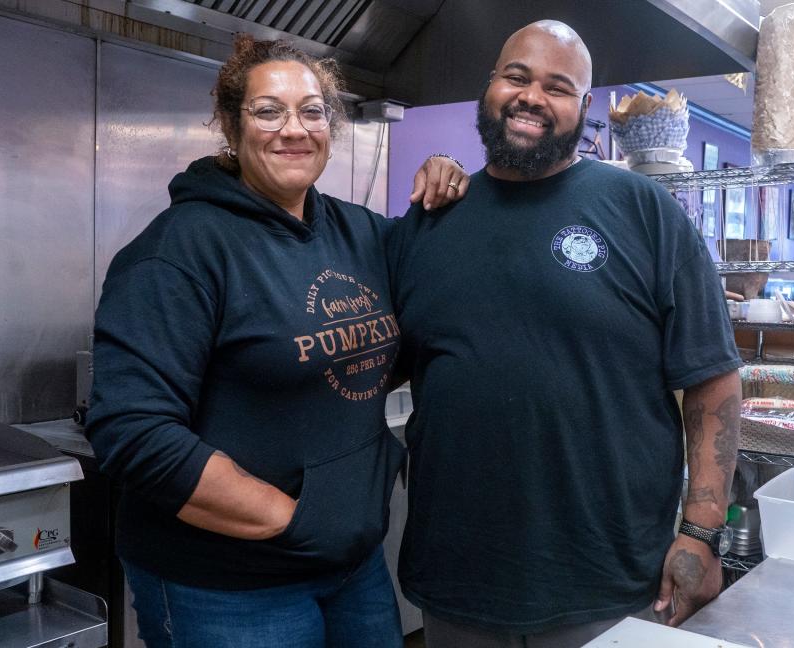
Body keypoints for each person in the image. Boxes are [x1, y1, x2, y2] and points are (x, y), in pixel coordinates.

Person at [86, 35, 467, 648]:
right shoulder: (178, 252)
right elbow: (132, 433)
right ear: (232, 128)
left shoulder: (362, 232)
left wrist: (449, 181)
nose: (294, 129)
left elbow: (406, 332)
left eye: (312, 111)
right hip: (228, 588)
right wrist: (297, 521)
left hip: (354, 569)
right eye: (269, 111)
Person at [387, 20, 743, 647]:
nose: (530, 97)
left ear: (584, 109)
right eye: (516, 77)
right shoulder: (427, 224)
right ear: (491, 86)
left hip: (611, 580)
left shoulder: (644, 211)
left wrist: (701, 533)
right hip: (459, 578)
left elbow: (712, 378)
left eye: (558, 87)